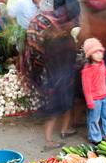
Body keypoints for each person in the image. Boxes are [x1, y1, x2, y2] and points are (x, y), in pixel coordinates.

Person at [21, 10, 78, 149]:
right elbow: (72, 59)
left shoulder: (47, 44)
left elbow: (43, 61)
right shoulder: (68, 41)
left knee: (52, 112)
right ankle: (63, 131)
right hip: (65, 81)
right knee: (68, 107)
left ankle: (49, 139)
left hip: (52, 82)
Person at [81, 38, 106, 145]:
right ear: (89, 55)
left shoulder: (101, 64)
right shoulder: (87, 71)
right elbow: (86, 88)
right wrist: (90, 102)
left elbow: (103, 74)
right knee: (94, 119)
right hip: (95, 99)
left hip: (105, 96)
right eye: (95, 52)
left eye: (100, 51)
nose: (99, 55)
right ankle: (95, 138)